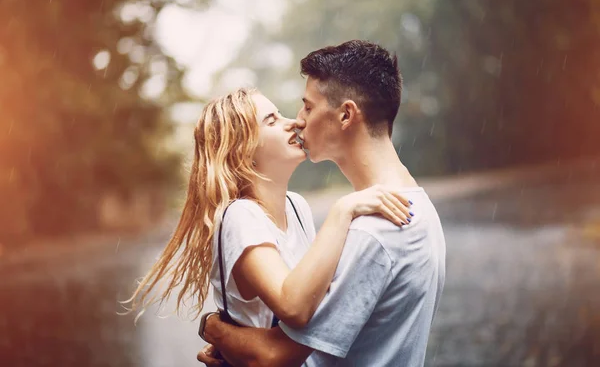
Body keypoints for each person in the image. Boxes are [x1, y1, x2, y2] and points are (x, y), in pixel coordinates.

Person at [197, 40, 446, 367]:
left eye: (308, 107)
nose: (297, 120)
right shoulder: (418, 207)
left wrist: (216, 330)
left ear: (345, 115)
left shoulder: (373, 231)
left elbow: (276, 354)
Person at [124, 88, 414, 343]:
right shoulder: (239, 216)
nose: (295, 123)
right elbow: (293, 308)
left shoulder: (296, 207)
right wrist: (343, 210)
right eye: (272, 120)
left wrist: (214, 329)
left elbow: (319, 294)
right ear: (243, 149)